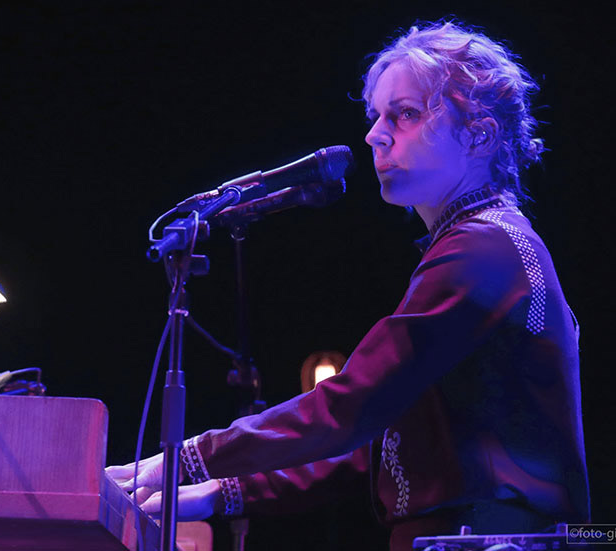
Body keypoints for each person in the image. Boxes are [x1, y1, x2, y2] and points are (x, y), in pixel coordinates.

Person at [108, 20, 590, 550]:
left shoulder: (484, 249)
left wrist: (187, 458)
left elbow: (350, 405)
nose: (374, 134)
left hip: (484, 537)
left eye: (405, 114)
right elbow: (379, 445)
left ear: (480, 135)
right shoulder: (479, 244)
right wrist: (222, 491)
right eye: (376, 115)